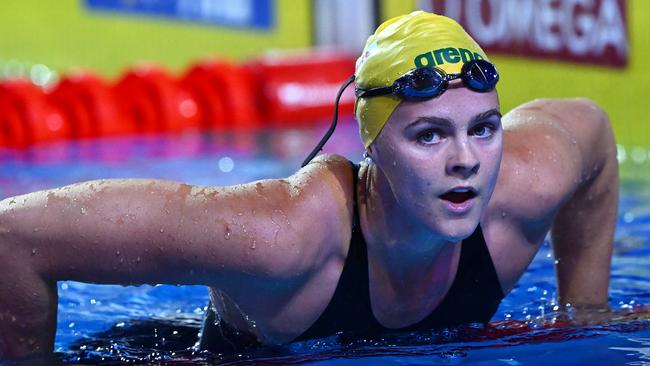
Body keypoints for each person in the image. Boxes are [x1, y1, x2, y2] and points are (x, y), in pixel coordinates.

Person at [0, 10, 618, 361]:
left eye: (483, 128)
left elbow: (592, 131)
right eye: (429, 135)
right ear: (372, 143)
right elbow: (14, 233)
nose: (466, 161)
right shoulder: (279, 236)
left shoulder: (526, 186)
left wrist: (582, 310)